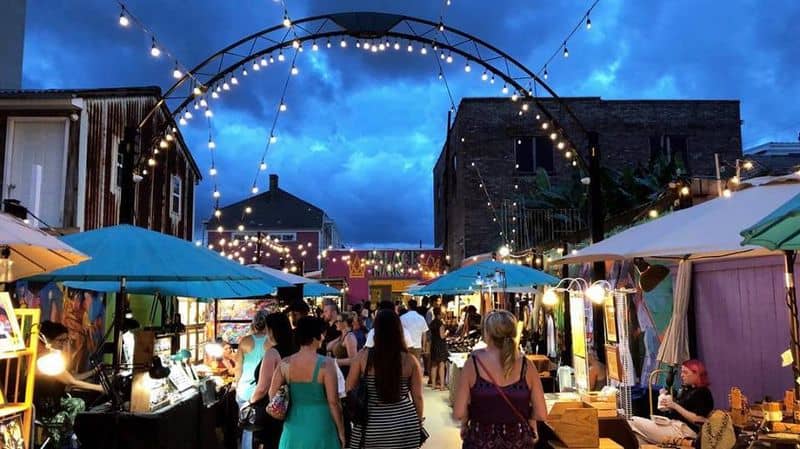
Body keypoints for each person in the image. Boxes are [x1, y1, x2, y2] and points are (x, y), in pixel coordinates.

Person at [453, 310, 548, 449]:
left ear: (487, 334)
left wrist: (466, 421)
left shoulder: (473, 364)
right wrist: (530, 421)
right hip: (518, 441)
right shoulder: (527, 366)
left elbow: (459, 412)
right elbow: (541, 413)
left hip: (480, 440)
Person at [346, 310, 424, 449]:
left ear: (376, 331)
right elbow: (417, 397)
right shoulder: (410, 360)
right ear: (399, 331)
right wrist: (418, 421)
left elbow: (349, 388)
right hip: (405, 423)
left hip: (371, 423)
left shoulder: (362, 357)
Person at [269, 316, 345, 449]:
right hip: (322, 424)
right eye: (321, 334)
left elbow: (272, 393)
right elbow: (333, 402)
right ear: (315, 337)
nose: (323, 337)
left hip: (293, 425)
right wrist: (341, 431)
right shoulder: (327, 364)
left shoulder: (285, 363)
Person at [34, 321, 105, 448]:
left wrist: (94, 371)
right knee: (65, 416)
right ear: (47, 340)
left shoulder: (53, 358)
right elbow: (71, 381)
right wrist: (99, 388)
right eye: (60, 341)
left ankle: (71, 437)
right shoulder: (44, 360)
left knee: (78, 403)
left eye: (65, 341)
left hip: (55, 402)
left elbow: (72, 377)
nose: (63, 344)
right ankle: (60, 442)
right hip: (44, 407)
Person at [629, 360, 714, 445]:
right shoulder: (688, 389)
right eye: (681, 372)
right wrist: (668, 405)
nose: (682, 375)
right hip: (672, 425)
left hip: (685, 431)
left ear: (696, 374)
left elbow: (700, 420)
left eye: (685, 372)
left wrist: (675, 405)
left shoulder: (703, 392)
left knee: (632, 421)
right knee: (637, 436)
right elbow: (681, 410)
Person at [248, 313, 297, 449]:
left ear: (272, 330)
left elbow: (263, 388)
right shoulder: (295, 349)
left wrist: (250, 401)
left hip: (272, 408)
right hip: (290, 407)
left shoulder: (273, 353)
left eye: (267, 329)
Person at [235, 309, 270, 449]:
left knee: (246, 426)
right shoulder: (271, 343)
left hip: (244, 389)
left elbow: (238, 367)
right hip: (263, 390)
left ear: (254, 324)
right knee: (263, 427)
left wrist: (237, 385)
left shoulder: (245, 341)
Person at [327, 312, 358, 379]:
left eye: (338, 321)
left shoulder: (349, 337)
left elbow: (353, 360)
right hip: (340, 374)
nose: (335, 323)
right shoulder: (342, 336)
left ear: (345, 323)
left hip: (346, 375)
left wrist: (335, 362)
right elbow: (328, 347)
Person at [400, 299, 429, 363]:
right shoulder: (421, 318)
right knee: (416, 364)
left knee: (406, 364)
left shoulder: (402, 317)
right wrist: (423, 346)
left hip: (406, 346)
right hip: (417, 346)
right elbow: (424, 333)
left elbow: (400, 332)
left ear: (408, 306)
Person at [428, 306, 450, 391]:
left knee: (434, 365)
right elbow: (442, 336)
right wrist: (446, 332)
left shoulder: (432, 323)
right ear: (439, 314)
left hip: (434, 345)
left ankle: (433, 385)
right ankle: (442, 386)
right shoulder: (440, 323)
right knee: (441, 365)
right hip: (440, 345)